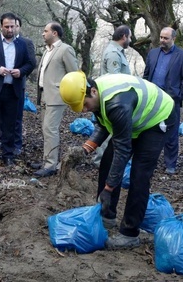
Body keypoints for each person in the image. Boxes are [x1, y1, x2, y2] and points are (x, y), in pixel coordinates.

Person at [59, 71, 176, 249]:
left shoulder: (116, 103)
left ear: (93, 92)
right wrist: (85, 149)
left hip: (157, 118)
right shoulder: (97, 95)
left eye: (84, 104)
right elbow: (104, 124)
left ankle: (130, 233)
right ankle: (107, 215)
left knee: (139, 174)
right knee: (107, 159)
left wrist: (108, 188)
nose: (83, 110)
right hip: (134, 119)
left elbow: (123, 150)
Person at [0, 12, 35, 166]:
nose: (10, 29)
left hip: (13, 89)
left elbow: (30, 63)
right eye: (7, 26)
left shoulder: (22, 44)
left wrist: (21, 71)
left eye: (12, 26)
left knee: (10, 124)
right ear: (1, 26)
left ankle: (8, 154)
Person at [143, 27, 183, 174]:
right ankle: (149, 161)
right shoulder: (152, 54)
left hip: (171, 100)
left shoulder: (182, 56)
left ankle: (170, 164)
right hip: (153, 99)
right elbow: (146, 75)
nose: (162, 41)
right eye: (161, 37)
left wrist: (179, 96)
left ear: (173, 39)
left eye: (166, 38)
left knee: (171, 133)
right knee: (150, 130)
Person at [33, 22, 78, 178]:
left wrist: (65, 90)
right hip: (44, 95)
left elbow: (75, 74)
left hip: (57, 96)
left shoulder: (65, 50)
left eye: (46, 31)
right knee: (46, 129)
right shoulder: (47, 51)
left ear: (55, 33)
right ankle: (47, 159)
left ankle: (51, 165)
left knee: (50, 129)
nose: (43, 34)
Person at [93, 25, 132, 167]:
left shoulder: (118, 51)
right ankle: (101, 161)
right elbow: (114, 79)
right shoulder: (113, 53)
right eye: (130, 37)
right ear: (124, 37)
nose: (130, 40)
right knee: (108, 130)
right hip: (112, 99)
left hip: (117, 99)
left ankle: (105, 160)